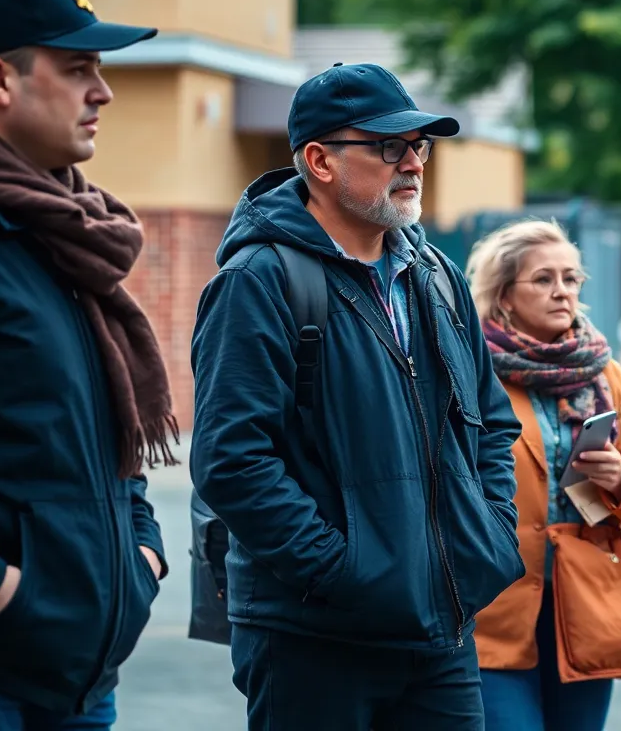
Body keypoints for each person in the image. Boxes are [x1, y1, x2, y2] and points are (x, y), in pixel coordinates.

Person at [189, 63, 525, 730]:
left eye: (419, 146)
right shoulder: (258, 281)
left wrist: (486, 532)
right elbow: (232, 461)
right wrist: (343, 573)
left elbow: (488, 423)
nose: (413, 163)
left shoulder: (436, 276)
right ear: (319, 160)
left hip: (440, 629)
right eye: (388, 146)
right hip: (316, 637)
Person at [0, 0, 174, 729]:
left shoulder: (64, 231)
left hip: (82, 680)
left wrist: (140, 552)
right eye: (78, 67)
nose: (104, 92)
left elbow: (95, 427)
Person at [466, 220, 621, 730]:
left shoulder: (603, 372)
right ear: (505, 295)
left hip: (584, 606)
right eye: (543, 279)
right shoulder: (467, 369)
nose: (562, 290)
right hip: (492, 603)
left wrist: (619, 479)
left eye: (571, 278)